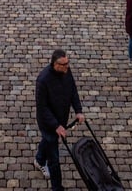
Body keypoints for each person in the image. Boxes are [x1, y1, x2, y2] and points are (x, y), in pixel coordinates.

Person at [33, 49, 84, 191]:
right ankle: (57, 188)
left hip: (61, 117)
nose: (67, 66)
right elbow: (42, 108)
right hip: (48, 123)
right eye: (64, 64)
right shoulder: (43, 80)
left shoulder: (66, 71)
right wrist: (56, 126)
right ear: (55, 64)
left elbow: (73, 90)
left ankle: (39, 159)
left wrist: (78, 110)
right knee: (54, 159)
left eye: (68, 63)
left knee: (48, 141)